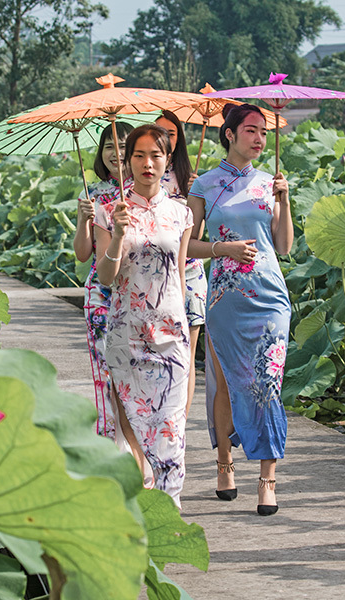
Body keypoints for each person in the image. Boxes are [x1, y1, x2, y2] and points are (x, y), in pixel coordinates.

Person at [186, 103, 293, 516]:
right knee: (228, 382)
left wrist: (283, 202)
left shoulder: (271, 183)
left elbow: (283, 246)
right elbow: (188, 246)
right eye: (250, 130)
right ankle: (224, 464)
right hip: (225, 299)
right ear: (229, 134)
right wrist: (222, 249)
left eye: (263, 132)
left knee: (268, 383)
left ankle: (267, 478)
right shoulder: (204, 185)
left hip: (270, 296)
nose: (259, 139)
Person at [94, 124, 193, 507]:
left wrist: (184, 326)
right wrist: (118, 235)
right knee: (132, 425)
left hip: (170, 335)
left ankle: (171, 511)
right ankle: (137, 511)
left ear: (167, 159)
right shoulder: (109, 212)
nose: (147, 163)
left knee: (171, 431)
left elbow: (180, 275)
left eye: (156, 155)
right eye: (139, 155)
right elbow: (106, 277)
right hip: (125, 335)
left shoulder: (181, 213)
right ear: (128, 160)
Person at [73, 122, 134, 440]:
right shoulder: (93, 195)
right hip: (101, 295)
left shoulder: (147, 192)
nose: (116, 153)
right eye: (108, 146)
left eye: (123, 146)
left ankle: (141, 452)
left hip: (138, 294)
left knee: (137, 375)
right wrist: (84, 220)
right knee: (104, 372)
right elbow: (83, 254)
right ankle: (111, 445)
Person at [154, 110, 204, 417]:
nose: (166, 138)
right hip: (154, 277)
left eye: (171, 133)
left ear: (180, 138)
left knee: (187, 356)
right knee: (158, 357)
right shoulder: (139, 175)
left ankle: (179, 426)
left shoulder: (192, 178)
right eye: (159, 131)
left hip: (190, 273)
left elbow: (197, 235)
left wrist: (195, 196)